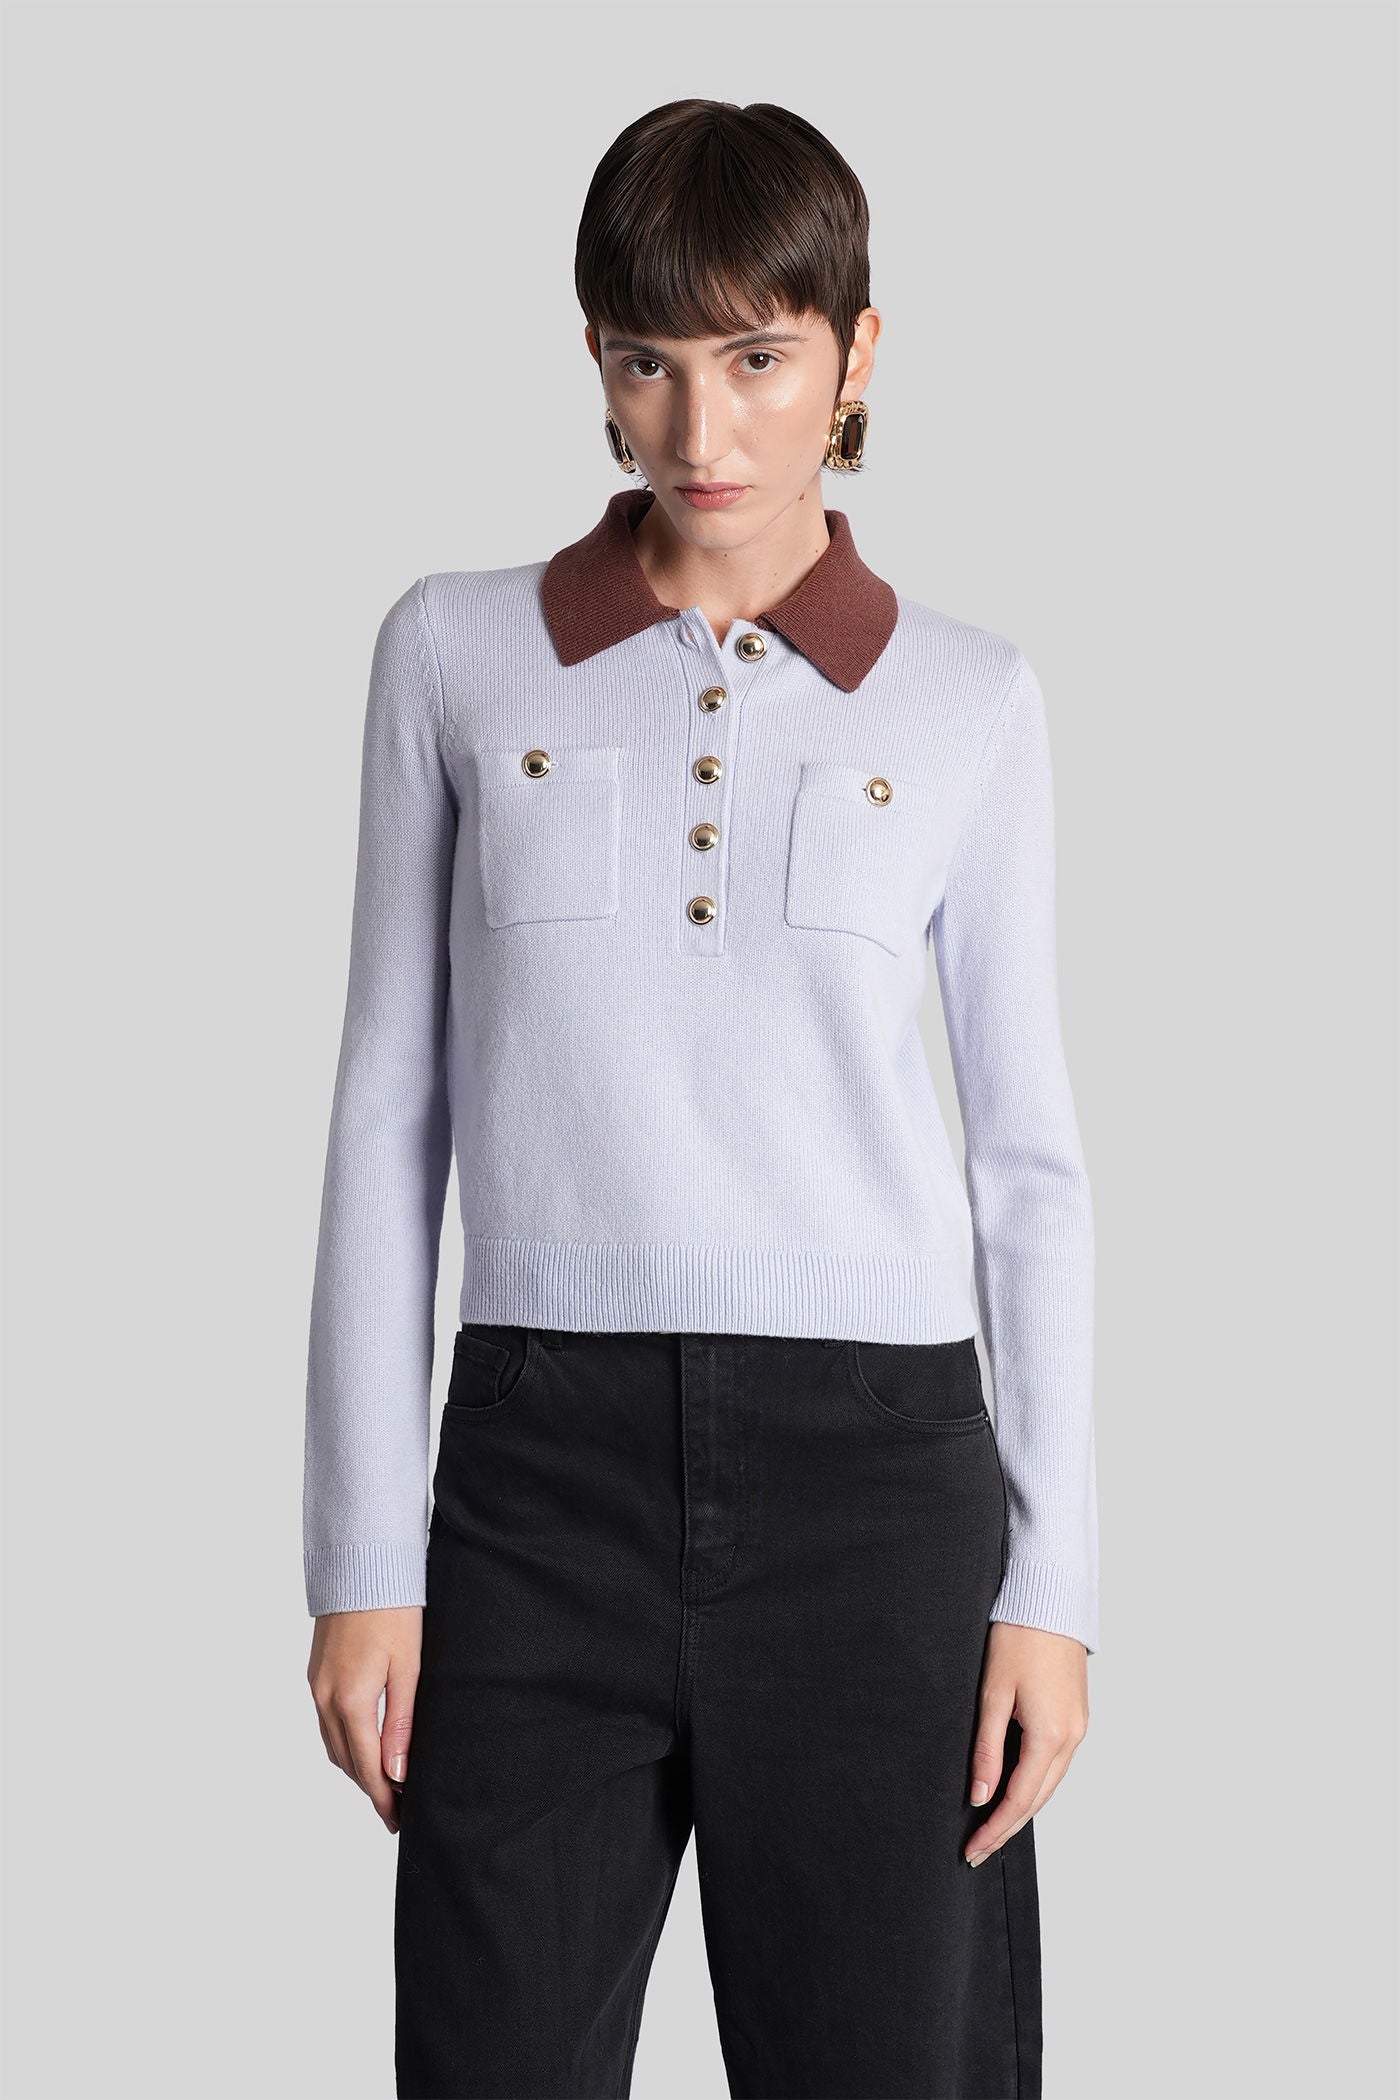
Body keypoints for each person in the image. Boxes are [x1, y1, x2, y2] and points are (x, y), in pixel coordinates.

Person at [304, 97, 1096, 2100]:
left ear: (856, 351)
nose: (701, 427)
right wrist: (362, 1558)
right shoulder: (456, 654)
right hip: (536, 1481)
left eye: (757, 357)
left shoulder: (969, 699)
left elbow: (1030, 1167)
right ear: (594, 357)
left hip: (881, 1489)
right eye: (648, 360)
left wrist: (1053, 1590)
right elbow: (389, 1113)